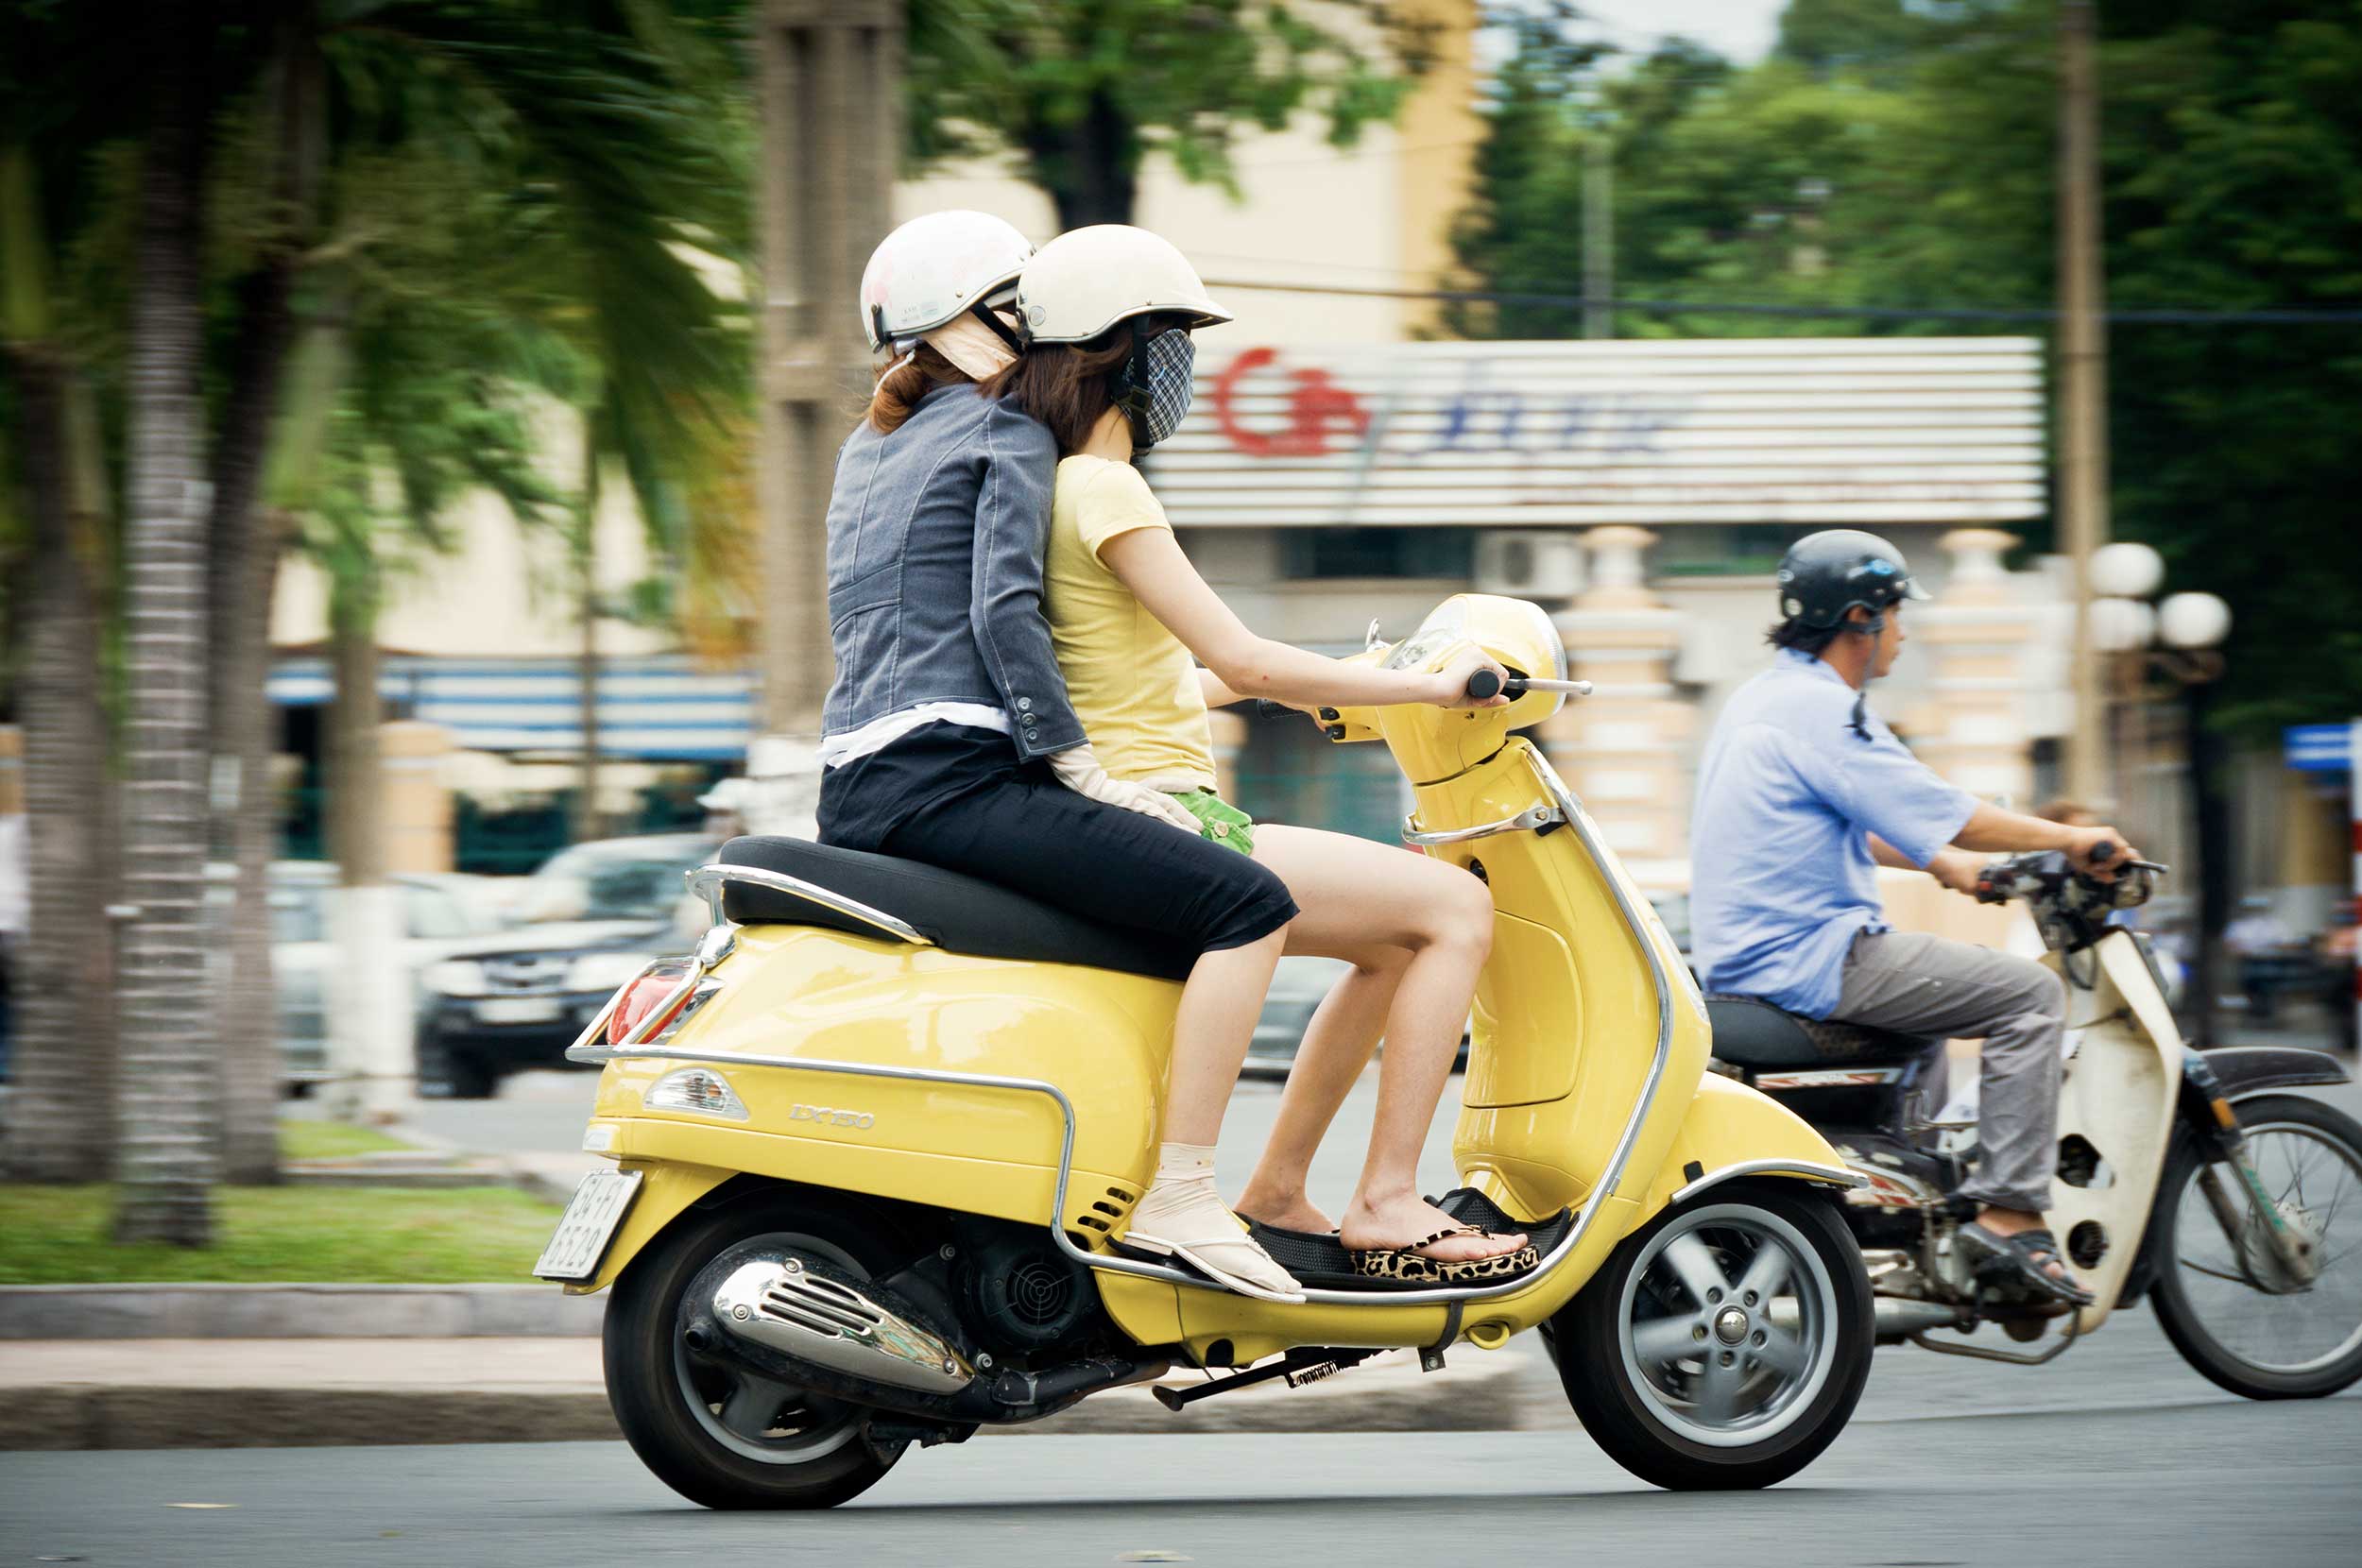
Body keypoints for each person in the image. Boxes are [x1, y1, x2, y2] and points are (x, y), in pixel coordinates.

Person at [998, 225, 1532, 1285]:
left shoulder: (1048, 488)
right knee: (1453, 907)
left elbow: (1173, 683)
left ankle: (1283, 1187)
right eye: (1173, 346)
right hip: (1166, 817)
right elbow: (1246, 655)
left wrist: (1351, 680)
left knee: (1388, 941)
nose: (1182, 372)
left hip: (1127, 800)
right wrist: (1433, 685)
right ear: (1127, 355)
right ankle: (1385, 1196)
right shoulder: (1104, 489)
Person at [814, 211, 1304, 1302]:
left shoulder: (869, 445)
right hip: (955, 778)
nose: (1033, 333)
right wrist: (1079, 766)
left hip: (855, 783)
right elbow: (1002, 617)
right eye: (1016, 312)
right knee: (1249, 904)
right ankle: (1182, 1194)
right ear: (977, 321)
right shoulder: (1007, 432)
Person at [1689, 529, 2142, 1307]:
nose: (1904, 633)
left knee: (1933, 1018)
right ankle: (2007, 1217)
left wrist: (1943, 864)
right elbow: (1949, 810)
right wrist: (2077, 840)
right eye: (1898, 616)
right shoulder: (1821, 708)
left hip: (1755, 953)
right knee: (2027, 997)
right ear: (1862, 618)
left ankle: (1921, 1207)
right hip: (1809, 956)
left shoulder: (1765, 696)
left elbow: (1852, 818)